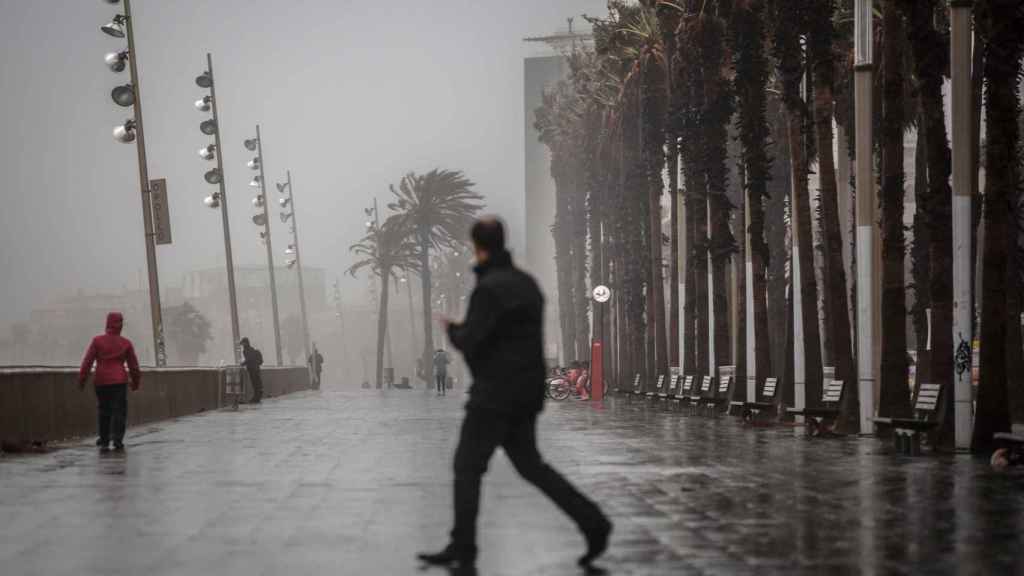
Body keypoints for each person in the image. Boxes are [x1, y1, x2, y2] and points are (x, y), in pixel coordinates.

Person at [417, 218, 612, 571]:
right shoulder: (526, 285)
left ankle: (464, 547)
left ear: (478, 247)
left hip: (494, 396)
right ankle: (593, 522)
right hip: (525, 394)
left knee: (467, 467)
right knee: (531, 466)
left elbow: (472, 340)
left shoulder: (489, 288)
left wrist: (453, 330)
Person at [78, 312, 141, 453]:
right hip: (119, 381)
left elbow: (87, 362)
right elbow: (134, 367)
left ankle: (104, 440)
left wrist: (82, 379)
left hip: (101, 381)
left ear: (107, 323)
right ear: (120, 325)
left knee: (103, 410)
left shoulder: (97, 341)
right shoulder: (126, 343)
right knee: (119, 411)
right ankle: (118, 440)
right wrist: (135, 383)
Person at [240, 337, 264, 403]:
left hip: (252, 369)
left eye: (243, 343)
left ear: (245, 343)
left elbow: (249, 359)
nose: (242, 345)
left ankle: (256, 398)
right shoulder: (252, 349)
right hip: (256, 368)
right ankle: (257, 397)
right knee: (257, 383)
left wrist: (242, 364)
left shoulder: (246, 350)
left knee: (255, 384)